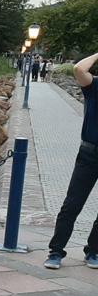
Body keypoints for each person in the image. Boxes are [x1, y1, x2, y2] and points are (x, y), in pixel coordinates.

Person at [45, 51, 98, 270]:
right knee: (72, 205)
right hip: (89, 154)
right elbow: (78, 69)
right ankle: (56, 251)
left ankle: (93, 251)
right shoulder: (94, 86)